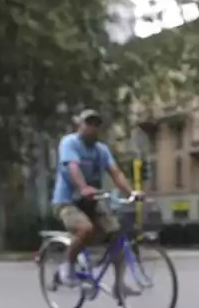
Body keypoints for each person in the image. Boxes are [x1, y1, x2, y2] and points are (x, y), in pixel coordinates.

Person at [52, 109, 141, 296]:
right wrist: (83, 187)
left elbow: (115, 173)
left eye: (96, 124)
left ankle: (119, 285)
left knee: (118, 235)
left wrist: (131, 192)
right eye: (88, 123)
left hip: (93, 200)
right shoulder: (69, 143)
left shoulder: (101, 150)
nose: (92, 127)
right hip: (68, 202)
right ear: (80, 125)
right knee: (85, 229)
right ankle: (66, 266)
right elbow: (73, 166)